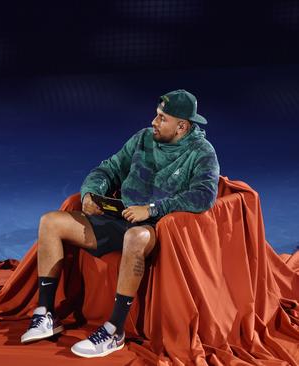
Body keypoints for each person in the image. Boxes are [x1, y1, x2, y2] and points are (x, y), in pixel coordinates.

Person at [20, 89, 220, 358]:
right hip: (120, 217)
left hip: (155, 228)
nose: (154, 122)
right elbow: (109, 168)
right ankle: (45, 315)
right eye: (157, 115)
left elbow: (204, 195)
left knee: (134, 237)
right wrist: (90, 193)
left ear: (182, 126)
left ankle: (114, 330)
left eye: (162, 118)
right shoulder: (143, 138)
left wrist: (151, 209)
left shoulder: (202, 152)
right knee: (50, 222)